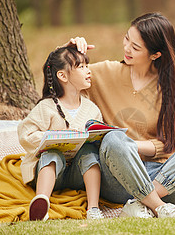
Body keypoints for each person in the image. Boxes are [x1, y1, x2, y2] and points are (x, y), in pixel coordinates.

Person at [64, 12, 175, 218]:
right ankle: (158, 207)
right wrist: (66, 53)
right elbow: (60, 83)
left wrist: (132, 146)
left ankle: (140, 203)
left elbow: (172, 144)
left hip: (161, 179)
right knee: (114, 138)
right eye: (127, 38)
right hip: (116, 178)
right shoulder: (105, 72)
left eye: (136, 47)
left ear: (155, 54)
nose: (127, 48)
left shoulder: (174, 90)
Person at [18, 46, 104, 221]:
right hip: (49, 173)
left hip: (78, 173)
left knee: (89, 154)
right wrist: (52, 136)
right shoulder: (47, 107)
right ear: (62, 76)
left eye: (87, 66)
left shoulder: (91, 109)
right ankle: (41, 202)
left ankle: (93, 209)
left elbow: (98, 138)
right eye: (81, 67)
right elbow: (26, 134)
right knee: (52, 155)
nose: (88, 71)